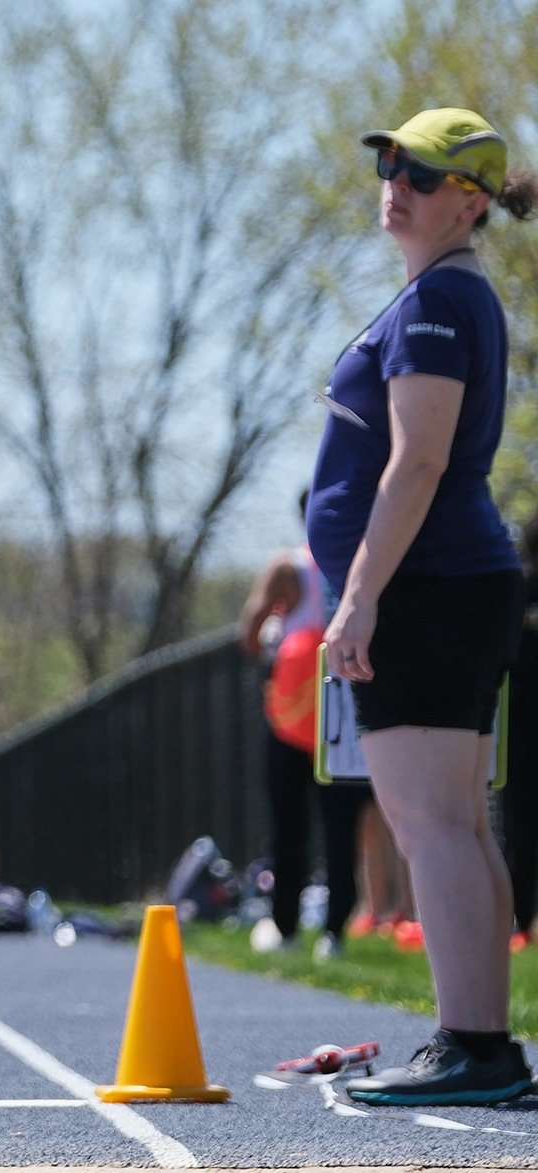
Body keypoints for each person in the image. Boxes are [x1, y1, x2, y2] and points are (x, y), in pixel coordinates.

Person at [308, 109, 536, 1105]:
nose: (396, 184)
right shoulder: (442, 291)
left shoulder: (441, 299)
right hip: (450, 586)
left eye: (424, 175)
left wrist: (359, 596)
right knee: (458, 826)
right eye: (392, 165)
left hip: (428, 589)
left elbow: (419, 461)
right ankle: (483, 1045)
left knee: (433, 826)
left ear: (471, 202)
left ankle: (471, 1045)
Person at [238, 493, 375, 963]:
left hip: (291, 719)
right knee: (341, 827)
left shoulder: (287, 568)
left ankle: (286, 928)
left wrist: (276, 642)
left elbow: (249, 633)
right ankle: (334, 931)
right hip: (344, 715)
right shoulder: (366, 566)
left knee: (288, 825)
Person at [503, 514, 538, 953]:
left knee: (519, 827)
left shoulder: (514, 588)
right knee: (519, 827)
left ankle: (520, 921)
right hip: (522, 725)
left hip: (519, 725)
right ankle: (521, 920)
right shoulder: (520, 588)